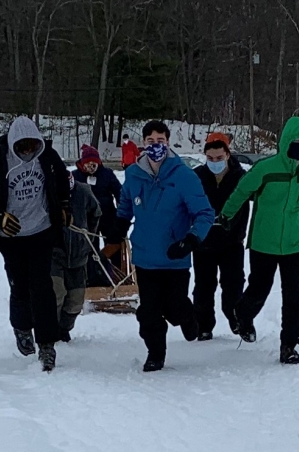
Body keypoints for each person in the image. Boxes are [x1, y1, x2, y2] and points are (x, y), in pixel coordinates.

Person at [105, 120, 215, 372]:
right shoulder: (133, 174)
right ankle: (156, 353)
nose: (156, 146)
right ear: (143, 144)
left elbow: (204, 213)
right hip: (145, 257)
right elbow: (125, 205)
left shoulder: (184, 176)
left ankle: (189, 319)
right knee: (149, 312)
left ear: (168, 143)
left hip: (175, 255)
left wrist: (192, 238)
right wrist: (118, 227)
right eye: (150, 141)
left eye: (161, 141)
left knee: (175, 307)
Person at [219, 116, 299, 365]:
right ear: (287, 140)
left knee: (294, 296)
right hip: (263, 242)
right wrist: (227, 214)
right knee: (259, 289)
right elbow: (242, 190)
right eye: (298, 140)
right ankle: (243, 314)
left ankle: (289, 345)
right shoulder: (266, 168)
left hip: (294, 243)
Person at [0, 116, 71, 372]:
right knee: (20, 286)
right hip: (11, 236)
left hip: (41, 231)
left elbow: (62, 182)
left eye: (31, 146)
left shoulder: (47, 156)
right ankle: (22, 328)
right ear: (13, 144)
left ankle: (47, 345)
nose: (27, 152)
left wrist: (64, 206)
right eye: (22, 147)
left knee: (43, 287)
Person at [193, 133, 249, 341]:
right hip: (203, 243)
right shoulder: (197, 176)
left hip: (231, 242)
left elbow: (248, 204)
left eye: (219, 158)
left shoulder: (240, 177)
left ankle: (236, 319)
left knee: (233, 286)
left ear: (227, 154)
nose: (215, 162)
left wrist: (237, 231)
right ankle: (204, 325)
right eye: (211, 158)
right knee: (204, 287)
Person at [51, 172, 102, 342]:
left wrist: (88, 238)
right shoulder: (47, 192)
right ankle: (50, 330)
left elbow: (96, 213)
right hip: (54, 255)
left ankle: (64, 328)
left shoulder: (83, 191)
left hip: (78, 255)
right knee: (56, 293)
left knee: (75, 301)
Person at [72, 144, 122, 274]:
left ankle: (115, 273)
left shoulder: (107, 174)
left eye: (94, 164)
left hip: (108, 216)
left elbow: (119, 192)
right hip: (86, 219)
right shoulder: (75, 177)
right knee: (89, 248)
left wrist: (122, 209)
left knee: (113, 245)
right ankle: (91, 275)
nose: (91, 167)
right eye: (88, 164)